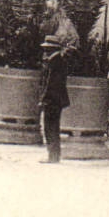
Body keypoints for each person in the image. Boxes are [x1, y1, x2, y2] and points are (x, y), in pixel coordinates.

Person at [40, 33, 72, 163]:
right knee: (53, 127)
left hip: (52, 100)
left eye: (48, 48)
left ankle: (52, 156)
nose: (45, 50)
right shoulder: (57, 61)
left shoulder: (55, 62)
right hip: (56, 99)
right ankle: (54, 155)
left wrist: (43, 98)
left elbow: (50, 83)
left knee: (50, 127)